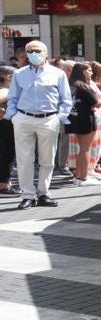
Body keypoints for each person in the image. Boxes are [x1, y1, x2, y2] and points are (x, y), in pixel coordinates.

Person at [4, 40, 71, 209]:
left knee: (47, 159)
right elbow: (12, 98)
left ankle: (43, 193)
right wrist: (13, 116)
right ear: (26, 54)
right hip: (24, 119)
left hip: (49, 119)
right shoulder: (19, 74)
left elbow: (66, 100)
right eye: (30, 51)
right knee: (24, 159)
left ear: (46, 53)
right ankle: (28, 195)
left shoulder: (58, 74)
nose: (34, 53)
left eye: (37, 50)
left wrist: (59, 117)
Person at [66, 63, 101, 187]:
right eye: (89, 70)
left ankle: (79, 177)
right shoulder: (82, 86)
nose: (91, 73)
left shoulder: (71, 85)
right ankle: (84, 177)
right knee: (86, 149)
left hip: (74, 118)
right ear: (82, 72)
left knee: (82, 149)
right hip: (86, 118)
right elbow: (96, 103)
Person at [0, 66, 15, 195]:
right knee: (8, 154)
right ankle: (4, 184)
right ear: (8, 78)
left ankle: (5, 183)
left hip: (6, 124)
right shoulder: (5, 90)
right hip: (5, 125)